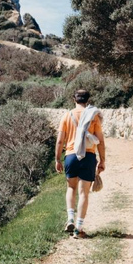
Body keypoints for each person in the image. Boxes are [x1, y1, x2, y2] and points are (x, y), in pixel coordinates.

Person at [54, 89, 106, 239]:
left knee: (71, 187)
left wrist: (58, 159)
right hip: (88, 156)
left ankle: (70, 218)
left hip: (70, 156)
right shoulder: (94, 116)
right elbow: (100, 141)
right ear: (88, 100)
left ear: (74, 99)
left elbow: (59, 141)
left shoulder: (66, 116)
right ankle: (79, 228)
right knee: (84, 193)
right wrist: (102, 160)